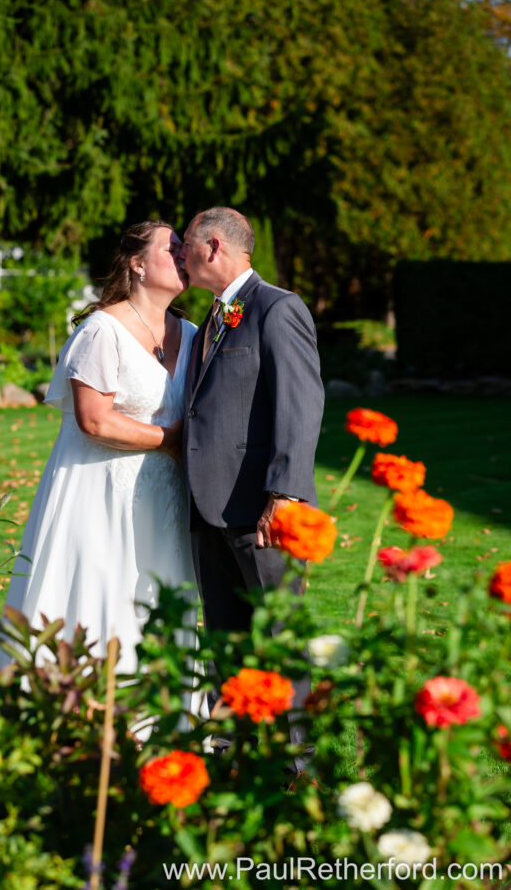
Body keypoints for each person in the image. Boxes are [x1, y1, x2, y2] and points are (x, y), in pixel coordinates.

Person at [0, 221, 199, 675]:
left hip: (164, 501)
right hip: (101, 493)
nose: (184, 255)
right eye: (173, 248)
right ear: (138, 263)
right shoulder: (102, 331)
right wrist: (174, 439)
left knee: (157, 598)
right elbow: (93, 419)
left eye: (186, 249)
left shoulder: (194, 333)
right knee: (101, 593)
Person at [179, 207, 324, 770]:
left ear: (213, 246)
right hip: (206, 506)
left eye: (186, 245)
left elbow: (301, 406)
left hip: (263, 511)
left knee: (280, 637)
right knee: (225, 638)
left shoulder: (277, 308)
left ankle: (299, 763)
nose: (180, 256)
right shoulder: (211, 319)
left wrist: (284, 495)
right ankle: (232, 754)